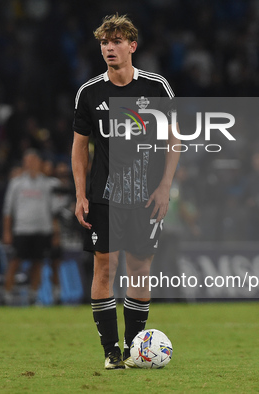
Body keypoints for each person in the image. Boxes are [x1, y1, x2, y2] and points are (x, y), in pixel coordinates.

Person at [72, 14, 179, 369]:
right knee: (104, 267)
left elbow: (173, 139)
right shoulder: (90, 92)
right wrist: (79, 194)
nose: (109, 48)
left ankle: (135, 349)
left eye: (116, 42)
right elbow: (79, 148)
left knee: (139, 269)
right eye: (105, 43)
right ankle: (110, 352)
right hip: (105, 194)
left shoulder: (155, 86)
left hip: (146, 195)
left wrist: (165, 187)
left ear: (132, 46)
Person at [2, 150, 60, 305]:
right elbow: (8, 210)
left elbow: (54, 210)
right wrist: (6, 231)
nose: (31, 164)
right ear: (24, 163)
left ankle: (33, 295)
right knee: (15, 262)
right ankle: (7, 295)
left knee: (38, 263)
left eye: (34, 161)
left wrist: (55, 232)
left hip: (43, 229)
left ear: (39, 163)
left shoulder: (48, 184)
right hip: (22, 229)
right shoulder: (16, 183)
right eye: (28, 161)